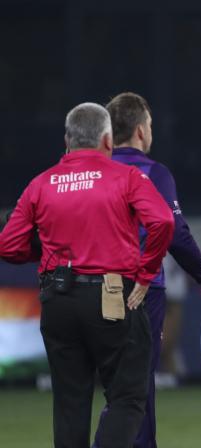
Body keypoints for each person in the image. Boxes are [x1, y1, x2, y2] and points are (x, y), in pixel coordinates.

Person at [0, 103, 175, 447]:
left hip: (58, 298)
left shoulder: (41, 184)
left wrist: (45, 252)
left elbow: (7, 244)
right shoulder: (126, 177)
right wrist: (146, 273)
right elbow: (163, 222)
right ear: (108, 141)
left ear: (67, 141)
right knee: (127, 397)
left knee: (69, 403)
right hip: (112, 295)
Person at [91, 92, 201, 448]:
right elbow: (176, 233)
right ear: (139, 131)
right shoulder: (154, 173)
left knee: (116, 385)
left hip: (90, 288)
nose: (151, 131)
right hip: (141, 290)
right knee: (137, 387)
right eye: (150, 125)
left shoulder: (92, 172)